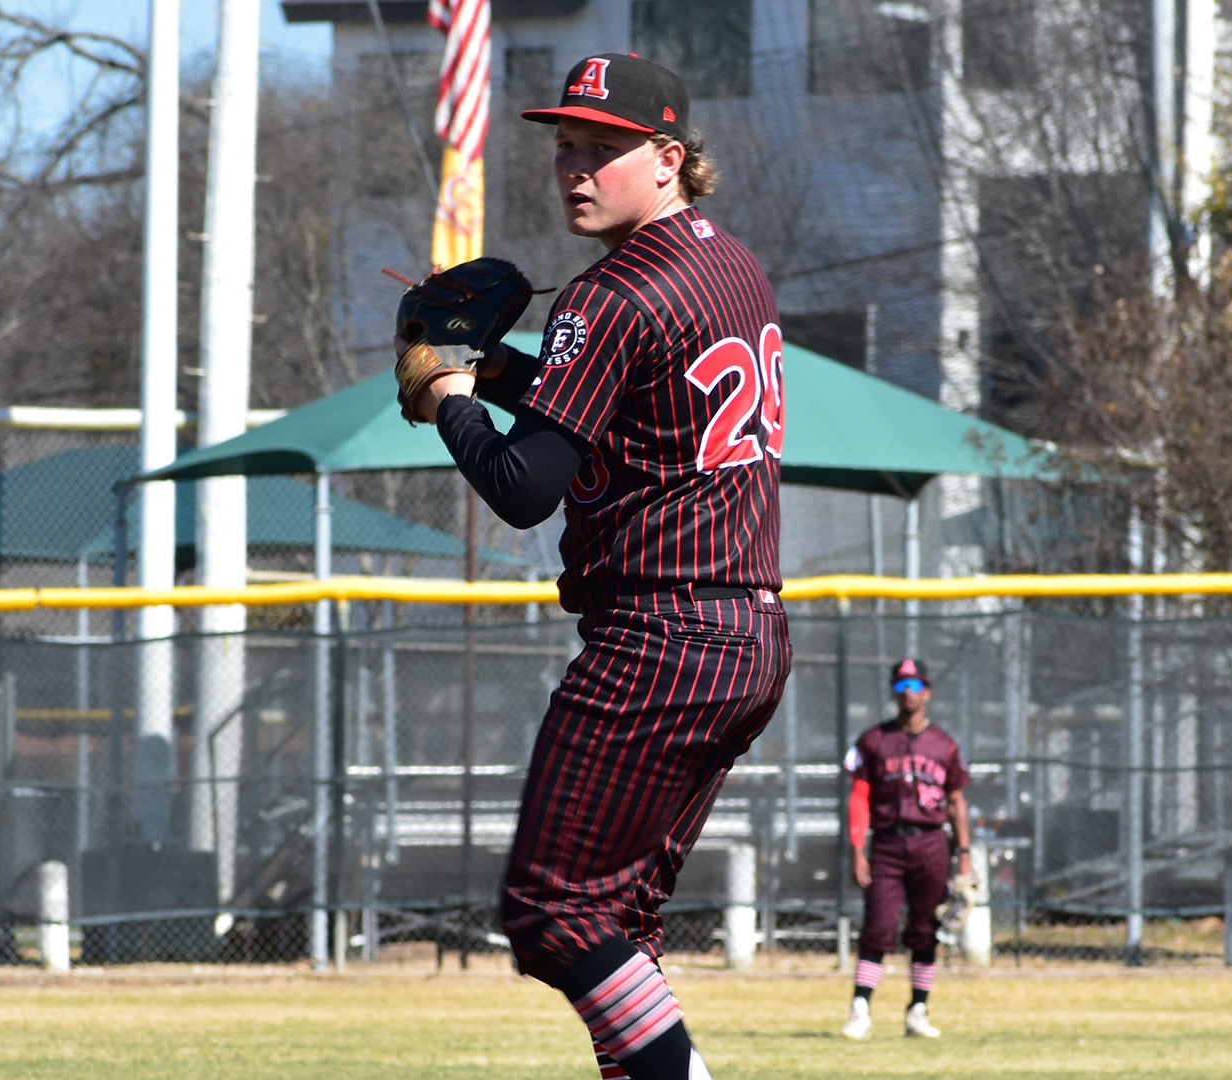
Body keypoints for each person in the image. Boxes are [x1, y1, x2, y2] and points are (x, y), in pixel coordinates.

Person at [399, 53, 791, 1080]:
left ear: (667, 158)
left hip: (660, 637)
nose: (574, 165)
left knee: (550, 912)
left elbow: (526, 487)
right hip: (747, 637)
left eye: (602, 147)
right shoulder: (729, 263)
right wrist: (498, 366)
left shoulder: (609, 292)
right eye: (566, 143)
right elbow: (622, 410)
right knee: (620, 920)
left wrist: (450, 395)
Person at [840, 658, 974, 1040]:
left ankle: (918, 1009)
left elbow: (956, 803)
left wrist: (964, 855)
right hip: (886, 843)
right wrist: (857, 849)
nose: (908, 693)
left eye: (915, 686)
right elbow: (859, 797)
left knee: (926, 927)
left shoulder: (944, 744)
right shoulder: (874, 740)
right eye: (901, 687)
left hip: (932, 842)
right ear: (893, 693)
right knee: (879, 926)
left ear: (927, 691)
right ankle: (860, 1009)